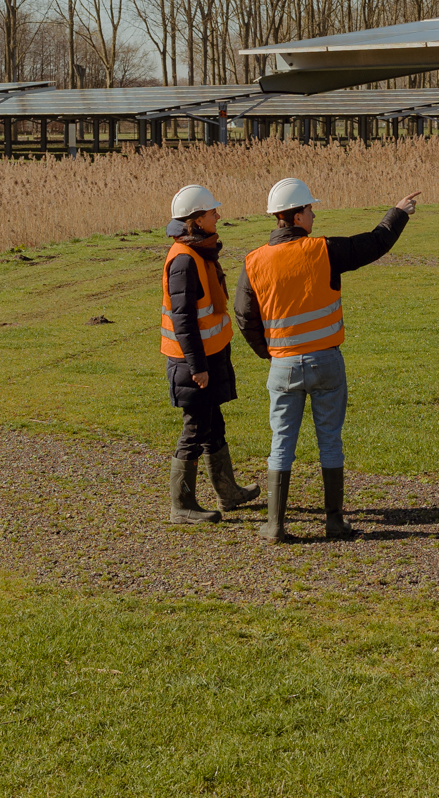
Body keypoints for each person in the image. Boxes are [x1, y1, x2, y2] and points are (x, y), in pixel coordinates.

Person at [236, 178, 420, 542]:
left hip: (283, 365)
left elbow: (244, 315)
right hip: (326, 363)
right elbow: (374, 243)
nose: (314, 214)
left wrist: (270, 352)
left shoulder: (254, 261)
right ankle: (334, 522)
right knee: (330, 440)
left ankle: (274, 525)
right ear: (298, 215)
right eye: (310, 209)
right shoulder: (323, 250)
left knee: (281, 442)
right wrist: (398, 214)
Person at [160, 184, 259, 524]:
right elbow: (183, 319)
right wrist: (197, 367)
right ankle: (182, 506)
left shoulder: (199, 252)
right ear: (197, 220)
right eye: (212, 212)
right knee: (195, 429)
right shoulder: (185, 261)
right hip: (193, 363)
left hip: (207, 357)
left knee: (213, 424)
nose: (219, 215)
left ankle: (227, 492)